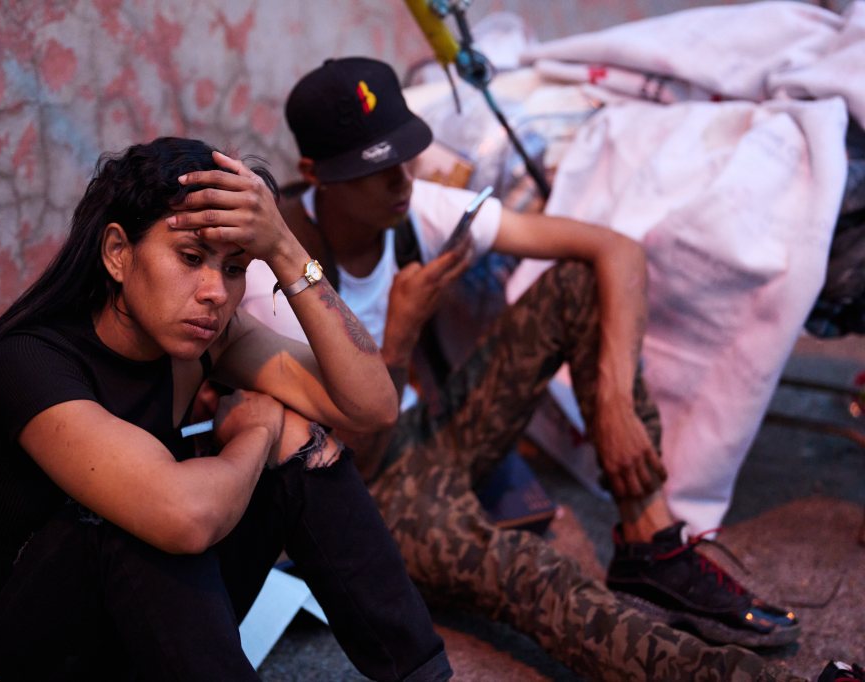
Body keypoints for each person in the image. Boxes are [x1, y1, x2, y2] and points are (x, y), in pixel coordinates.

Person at [242, 57, 807, 681]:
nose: (401, 182)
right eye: (375, 171)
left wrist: (615, 399)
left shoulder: (410, 209)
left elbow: (613, 250)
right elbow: (347, 451)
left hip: (429, 433)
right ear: (315, 174)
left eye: (404, 156)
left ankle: (651, 544)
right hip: (365, 484)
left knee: (576, 285)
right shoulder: (276, 277)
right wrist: (399, 336)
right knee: (535, 572)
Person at [0, 137, 452, 681]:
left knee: (300, 440)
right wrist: (257, 430)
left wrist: (287, 252)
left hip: (132, 634)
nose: (215, 294)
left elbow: (373, 406)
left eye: (233, 268)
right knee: (138, 512)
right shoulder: (28, 363)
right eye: (191, 258)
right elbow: (183, 518)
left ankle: (420, 675)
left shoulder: (205, 341)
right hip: (6, 656)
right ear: (117, 253)